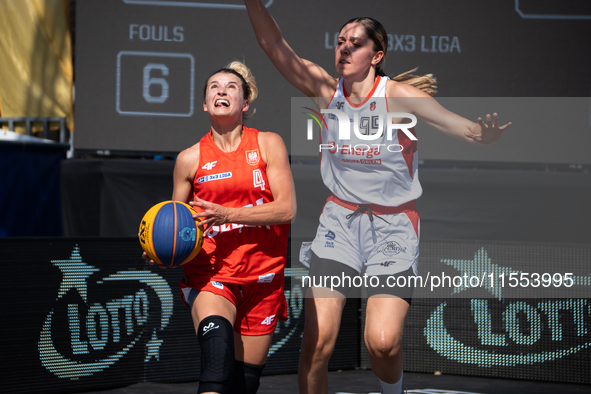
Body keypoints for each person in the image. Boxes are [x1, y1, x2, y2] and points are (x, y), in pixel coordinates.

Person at [242, 2, 511, 394]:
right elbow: (273, 44)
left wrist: (481, 135)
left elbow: (459, 127)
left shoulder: (398, 97)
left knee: (382, 342)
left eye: (355, 43)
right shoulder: (323, 90)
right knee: (317, 345)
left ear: (377, 55)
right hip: (339, 224)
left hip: (394, 227)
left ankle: (393, 390)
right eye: (339, 42)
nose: (344, 49)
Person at [147, 60, 296, 394]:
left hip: (263, 280)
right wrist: (161, 250)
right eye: (214, 87)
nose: (221, 91)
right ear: (205, 104)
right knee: (216, 362)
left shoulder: (268, 143)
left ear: (245, 104)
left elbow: (287, 210)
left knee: (242, 385)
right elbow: (176, 222)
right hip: (212, 277)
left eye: (231, 87)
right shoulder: (190, 159)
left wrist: (227, 214)